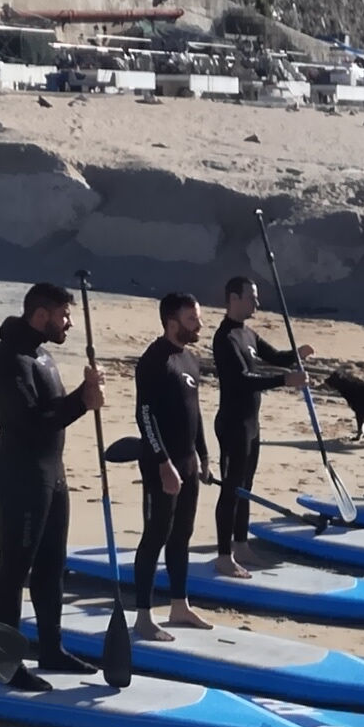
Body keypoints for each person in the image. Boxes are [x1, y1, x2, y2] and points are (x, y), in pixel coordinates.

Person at [0, 282, 100, 670]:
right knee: (15, 568)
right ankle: (6, 659)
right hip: (19, 472)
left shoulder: (42, 356)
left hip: (50, 473)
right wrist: (83, 401)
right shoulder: (8, 360)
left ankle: (51, 649)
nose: (68, 323)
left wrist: (83, 395)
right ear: (42, 314)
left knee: (51, 566)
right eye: (64, 315)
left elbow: (54, 410)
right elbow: (30, 423)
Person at [123, 293, 212, 661]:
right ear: (172, 321)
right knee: (155, 535)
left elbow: (195, 412)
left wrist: (204, 454)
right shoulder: (154, 360)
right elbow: (144, 416)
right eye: (192, 318)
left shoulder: (189, 358)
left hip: (188, 462)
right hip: (162, 465)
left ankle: (179, 605)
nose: (199, 324)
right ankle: (143, 616)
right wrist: (163, 463)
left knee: (182, 535)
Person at [211, 273, 295, 569]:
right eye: (251, 297)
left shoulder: (248, 334)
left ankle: (241, 545)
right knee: (232, 487)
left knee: (245, 486)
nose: (256, 302)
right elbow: (242, 380)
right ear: (234, 299)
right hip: (233, 423)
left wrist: (298, 355)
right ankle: (224, 555)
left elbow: (277, 356)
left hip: (251, 423)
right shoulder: (225, 337)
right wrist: (285, 380)